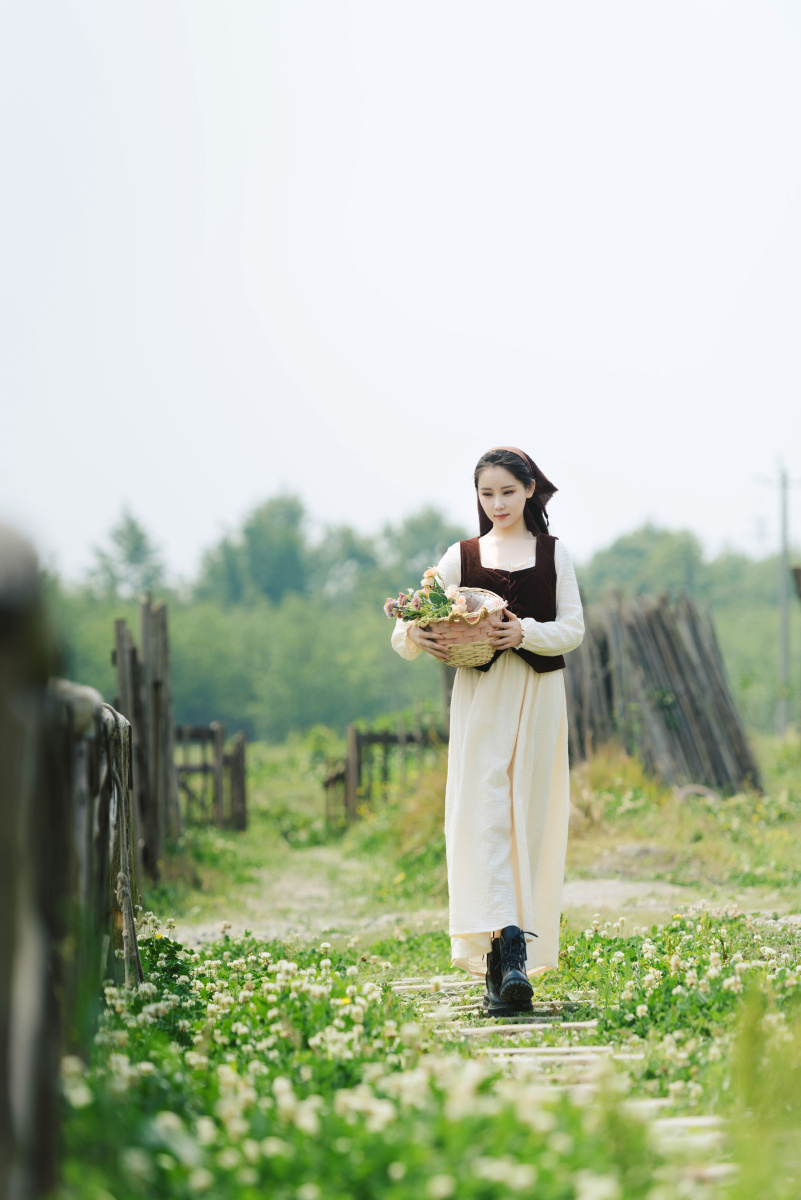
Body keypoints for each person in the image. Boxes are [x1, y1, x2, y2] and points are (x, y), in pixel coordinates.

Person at [391, 447, 584, 1016]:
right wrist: (415, 635)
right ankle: (505, 954)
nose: (497, 503)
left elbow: (573, 628)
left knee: (528, 817)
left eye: (507, 491)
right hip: (480, 702)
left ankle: (511, 956)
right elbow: (410, 621)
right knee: (485, 817)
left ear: (529, 490)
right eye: (486, 493)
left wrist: (523, 633)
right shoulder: (461, 555)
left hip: (538, 698)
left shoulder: (554, 553)